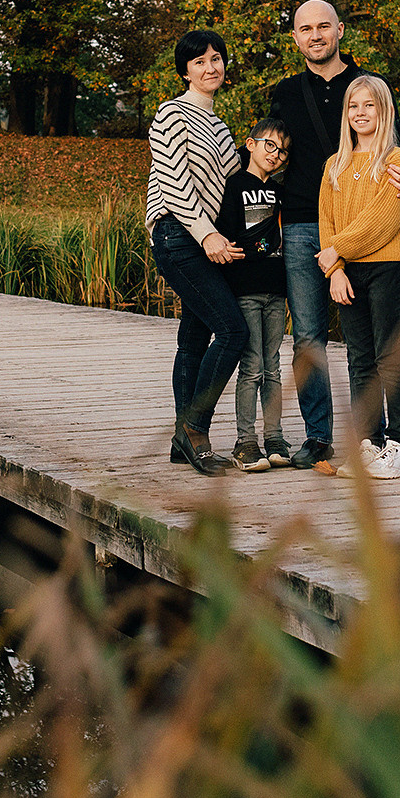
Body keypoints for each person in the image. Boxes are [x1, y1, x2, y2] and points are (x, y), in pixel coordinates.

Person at [264, 0, 400, 470]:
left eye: (323, 27)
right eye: (304, 29)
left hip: (362, 237)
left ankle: (388, 440)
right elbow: (268, 154)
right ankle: (320, 437)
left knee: (374, 347)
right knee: (309, 336)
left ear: (340, 31)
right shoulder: (286, 93)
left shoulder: (367, 88)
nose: (315, 35)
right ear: (296, 38)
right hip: (301, 225)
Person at [146, 30, 248, 475]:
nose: (211, 67)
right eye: (200, 61)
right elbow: (174, 183)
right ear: (184, 70)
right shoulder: (171, 114)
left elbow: (234, 185)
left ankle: (179, 440)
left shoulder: (222, 129)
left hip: (207, 240)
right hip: (178, 235)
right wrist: (207, 236)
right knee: (232, 331)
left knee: (194, 337)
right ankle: (194, 430)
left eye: (217, 59)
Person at [315, 74, 400, 479]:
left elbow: (381, 221)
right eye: (353, 106)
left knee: (388, 358)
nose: (360, 113)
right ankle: (369, 443)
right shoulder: (334, 165)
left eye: (369, 105)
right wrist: (335, 270)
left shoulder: (395, 160)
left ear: (384, 109)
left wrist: (335, 251)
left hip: (387, 270)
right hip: (347, 274)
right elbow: (326, 220)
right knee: (359, 361)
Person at [215, 116, 291, 472]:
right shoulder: (234, 186)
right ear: (251, 144)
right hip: (245, 289)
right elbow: (231, 235)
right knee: (252, 368)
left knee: (273, 367)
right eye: (270, 145)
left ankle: (274, 437)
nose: (275, 155)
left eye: (282, 151)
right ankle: (246, 442)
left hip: (276, 290)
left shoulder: (279, 191)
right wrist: (257, 245)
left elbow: (281, 238)